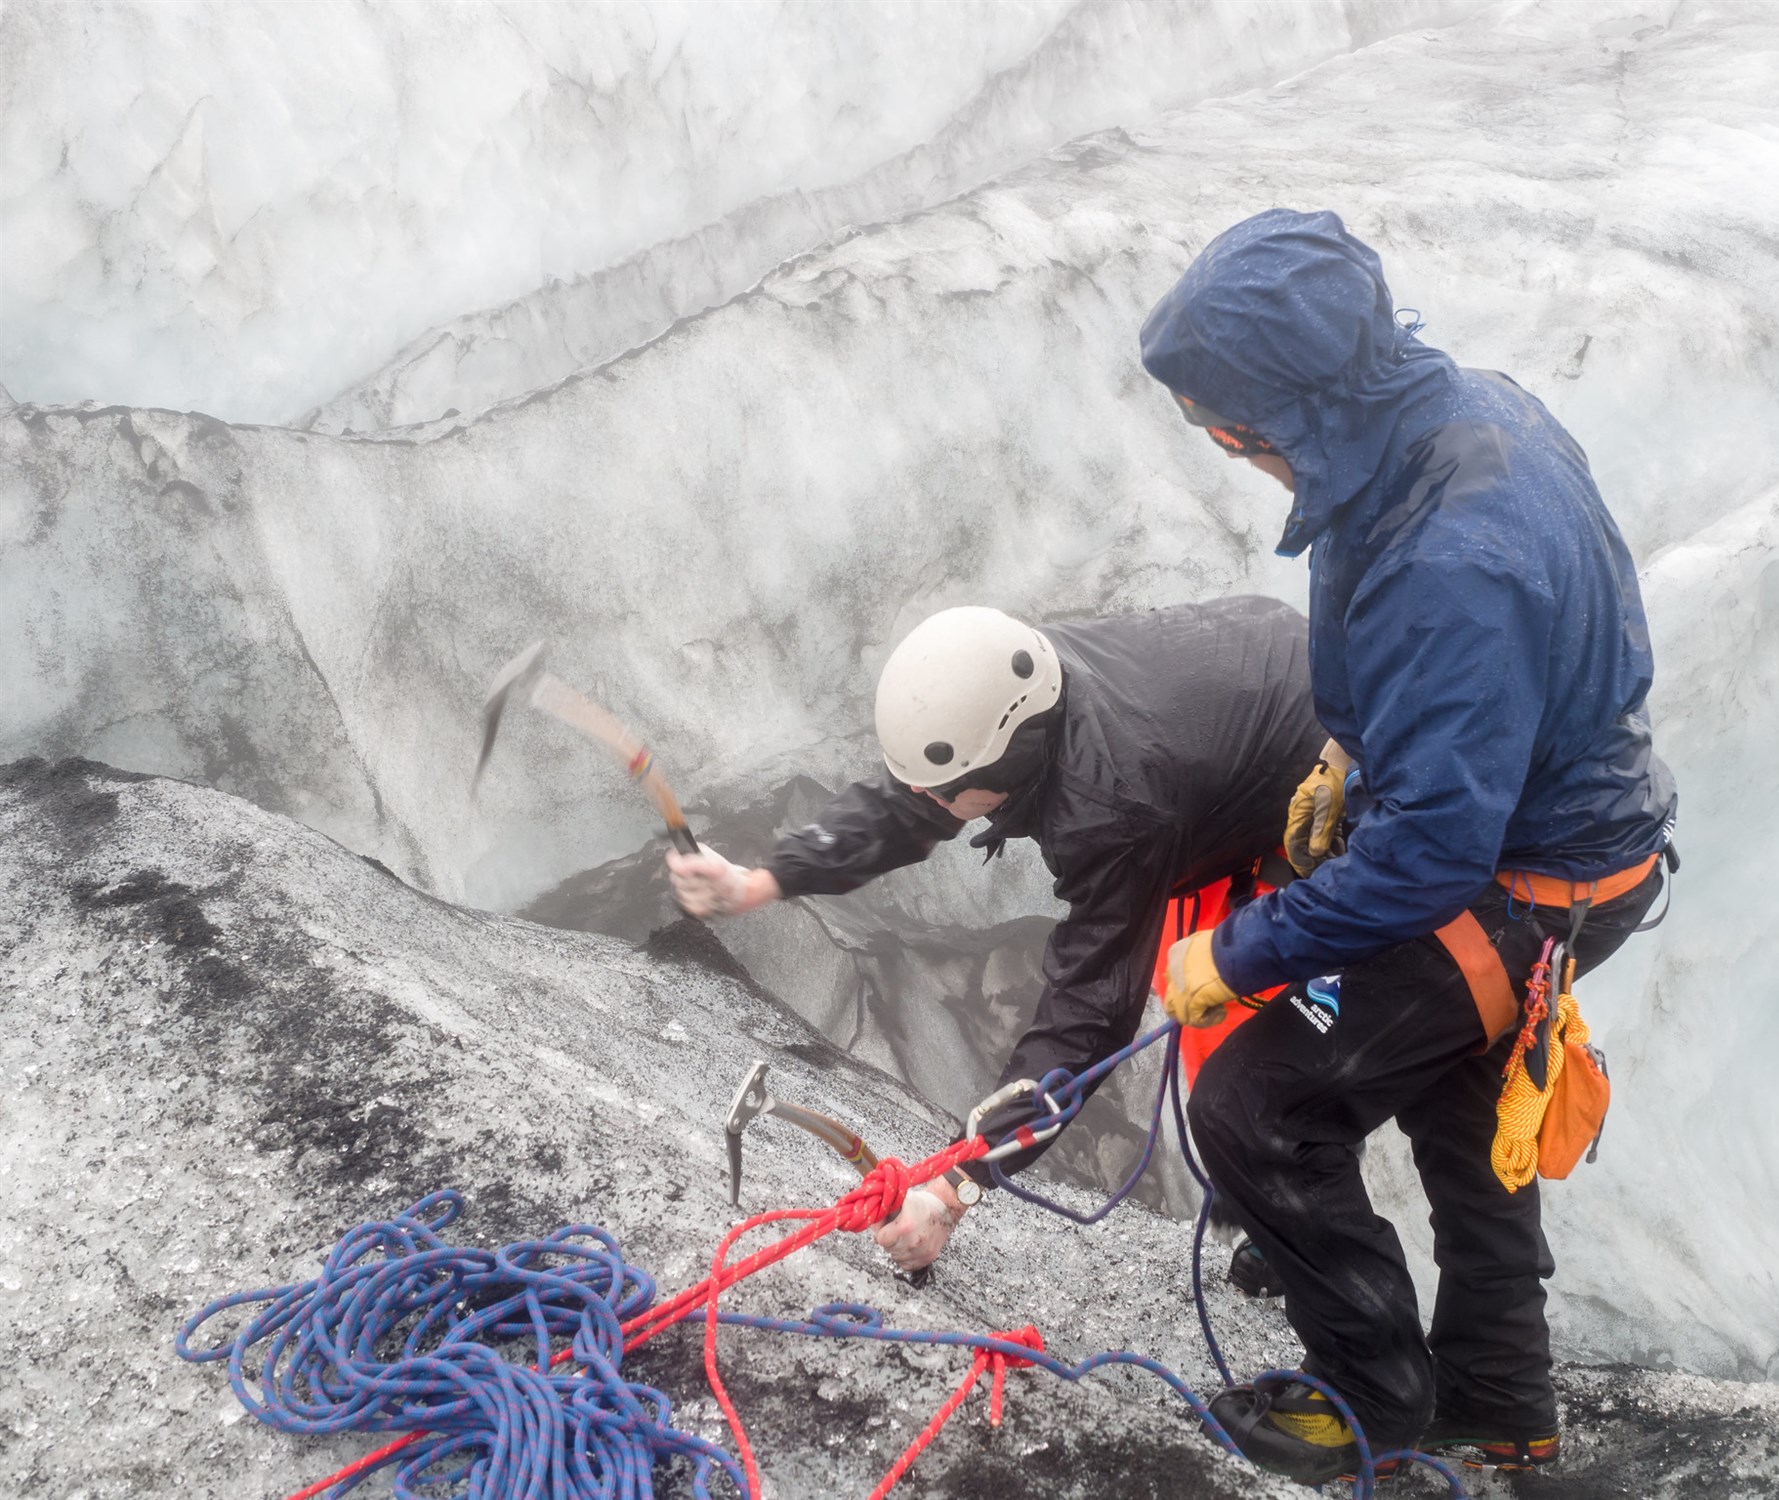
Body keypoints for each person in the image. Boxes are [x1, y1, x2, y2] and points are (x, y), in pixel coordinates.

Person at [1140, 209, 1677, 1483]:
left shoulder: (1453, 556)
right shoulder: (1439, 416)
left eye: (1229, 423)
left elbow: (1434, 852)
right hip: (1567, 842)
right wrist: (1354, 750)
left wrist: (1240, 951)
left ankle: (1372, 1404)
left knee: (1258, 1106)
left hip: (1519, 881)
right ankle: (1497, 1405)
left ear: (1291, 409)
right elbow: (1465, 699)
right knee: (1458, 1094)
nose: (1229, 448)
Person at [666, 597, 1326, 1273]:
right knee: (1213, 1013)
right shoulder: (1018, 690)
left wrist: (957, 1187)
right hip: (1240, 742)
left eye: (945, 791)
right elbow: (912, 803)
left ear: (1003, 774)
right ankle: (1270, 1193)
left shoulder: (1112, 809)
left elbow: (1090, 1016)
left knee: (1268, 1072)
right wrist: (761, 881)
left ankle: (1306, 1240)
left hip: (1336, 795)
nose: (927, 803)